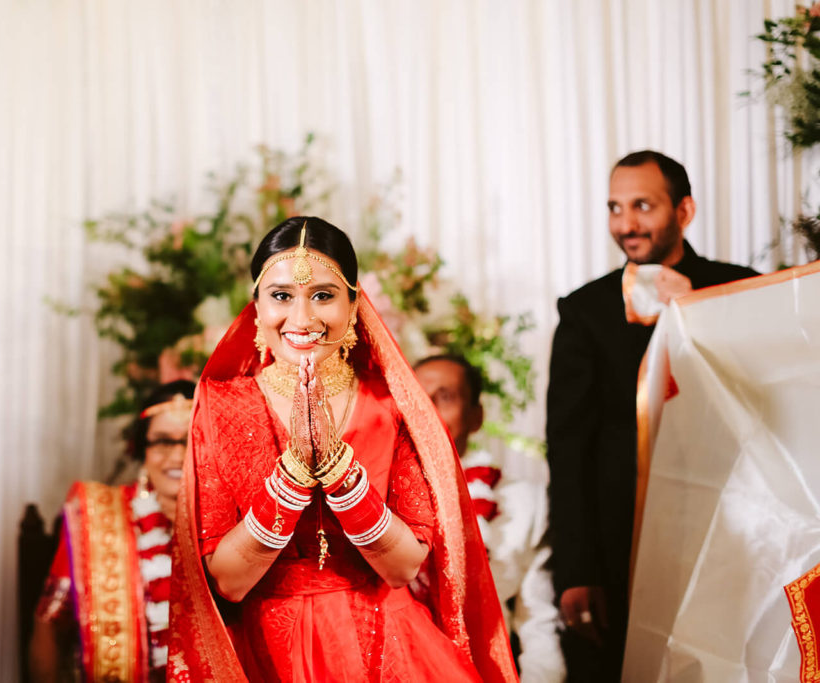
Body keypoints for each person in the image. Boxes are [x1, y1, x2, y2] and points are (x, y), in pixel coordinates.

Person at [167, 217, 517, 682]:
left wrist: (338, 472)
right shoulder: (221, 404)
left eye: (324, 295)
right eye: (281, 295)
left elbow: (403, 567)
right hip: (265, 655)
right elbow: (229, 581)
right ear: (255, 306)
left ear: (354, 305)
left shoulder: (391, 404)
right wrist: (293, 475)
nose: (302, 318)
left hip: (388, 646)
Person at [545, 150, 758, 680]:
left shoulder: (741, 289)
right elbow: (568, 449)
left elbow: (764, 405)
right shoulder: (584, 310)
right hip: (623, 545)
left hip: (730, 534)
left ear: (684, 211)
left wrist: (701, 314)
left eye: (643, 205)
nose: (627, 224)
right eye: (616, 208)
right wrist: (576, 570)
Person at [28, 380, 196, 683]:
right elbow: (49, 623)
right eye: (161, 441)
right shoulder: (101, 515)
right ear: (141, 449)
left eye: (190, 440)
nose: (177, 456)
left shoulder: (235, 523)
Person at [416, 354, 565, 683]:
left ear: (476, 416)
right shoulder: (376, 498)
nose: (427, 410)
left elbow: (538, 621)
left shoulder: (526, 502)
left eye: (445, 397)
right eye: (416, 398)